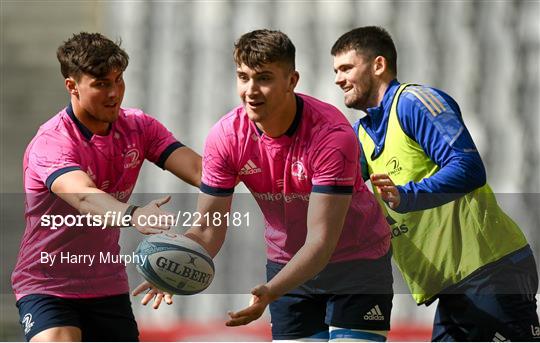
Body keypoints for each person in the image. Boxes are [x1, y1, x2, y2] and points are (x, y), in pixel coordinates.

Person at [136, 29, 393, 342]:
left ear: (292, 80)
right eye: (243, 77)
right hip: (287, 265)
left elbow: (321, 242)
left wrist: (271, 291)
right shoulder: (226, 137)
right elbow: (207, 229)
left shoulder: (332, 135)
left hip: (356, 264)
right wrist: (173, 262)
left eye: (264, 78)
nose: (251, 90)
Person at [331, 26, 540, 341]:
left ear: (378, 65)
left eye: (346, 68)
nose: (338, 79)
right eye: (335, 71)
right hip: (455, 288)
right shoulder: (361, 134)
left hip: (491, 272)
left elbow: (468, 167)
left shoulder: (414, 102)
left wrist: (408, 195)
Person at [12, 32, 201, 342]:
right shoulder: (52, 142)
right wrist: (136, 215)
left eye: (119, 80)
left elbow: (200, 170)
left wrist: (254, 167)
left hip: (106, 286)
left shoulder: (139, 127)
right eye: (101, 84)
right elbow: (85, 196)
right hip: (47, 284)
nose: (114, 92)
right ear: (72, 86)